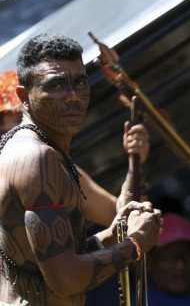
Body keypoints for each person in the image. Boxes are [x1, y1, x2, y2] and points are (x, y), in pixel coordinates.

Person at [0, 32, 161, 306]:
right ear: (23, 95)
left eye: (80, 82)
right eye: (55, 84)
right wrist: (134, 246)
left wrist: (115, 235)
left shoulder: (27, 152)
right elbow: (65, 276)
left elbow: (49, 255)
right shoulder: (40, 161)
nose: (72, 96)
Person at [0, 69, 151, 227]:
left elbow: (118, 216)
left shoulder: (60, 169)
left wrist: (135, 162)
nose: (34, 126)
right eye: (21, 119)